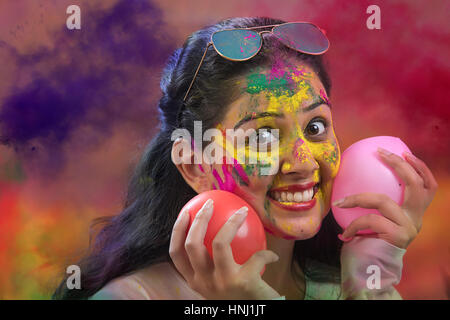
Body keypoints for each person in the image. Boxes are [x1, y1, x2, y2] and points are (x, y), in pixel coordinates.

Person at [52, 16, 438, 300]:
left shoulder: (351, 287)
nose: (302, 162)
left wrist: (373, 275)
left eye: (316, 127)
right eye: (265, 135)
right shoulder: (132, 297)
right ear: (194, 165)